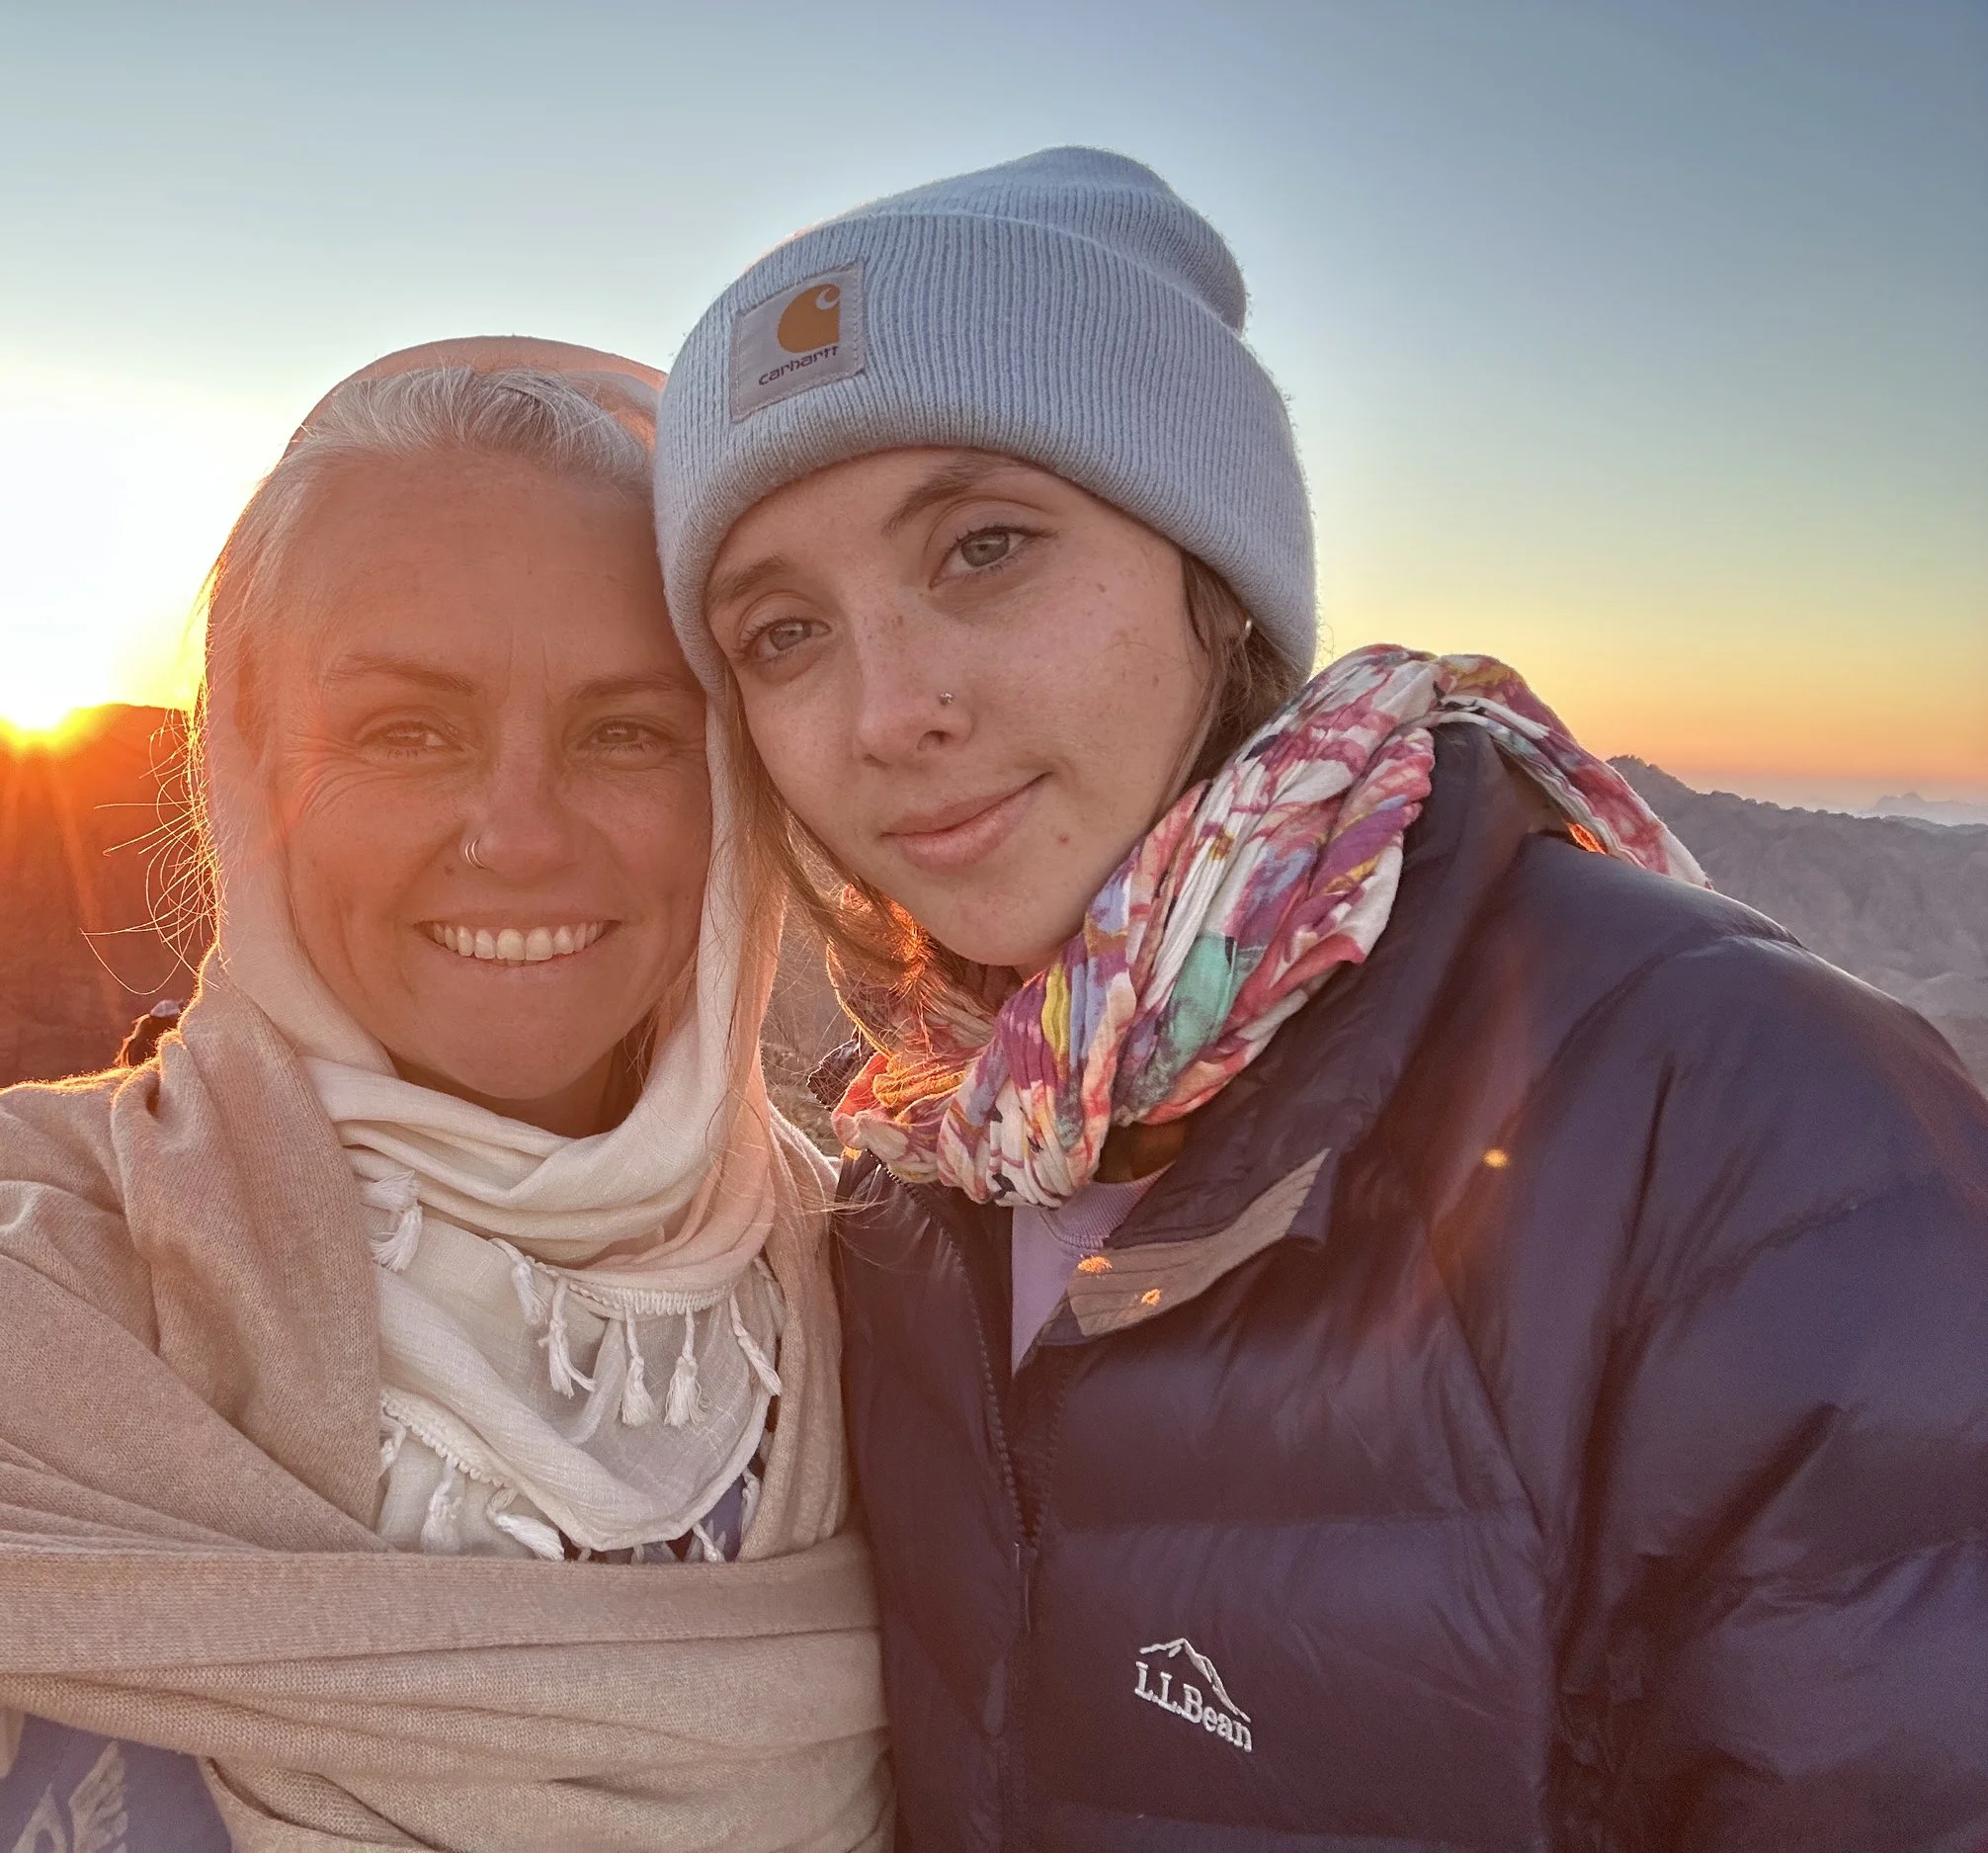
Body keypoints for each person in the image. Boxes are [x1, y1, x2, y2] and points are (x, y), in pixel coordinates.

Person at [651, 147, 1988, 1851]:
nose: (887, 710)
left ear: (1212, 581)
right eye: (783, 633)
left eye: (985, 547)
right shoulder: (915, 1181)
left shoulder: (1744, 1129)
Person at [0, 341, 889, 1852]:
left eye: (627, 730)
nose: (519, 833)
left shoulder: (871, 1296)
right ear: (251, 763)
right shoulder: (34, 1273)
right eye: (408, 730)